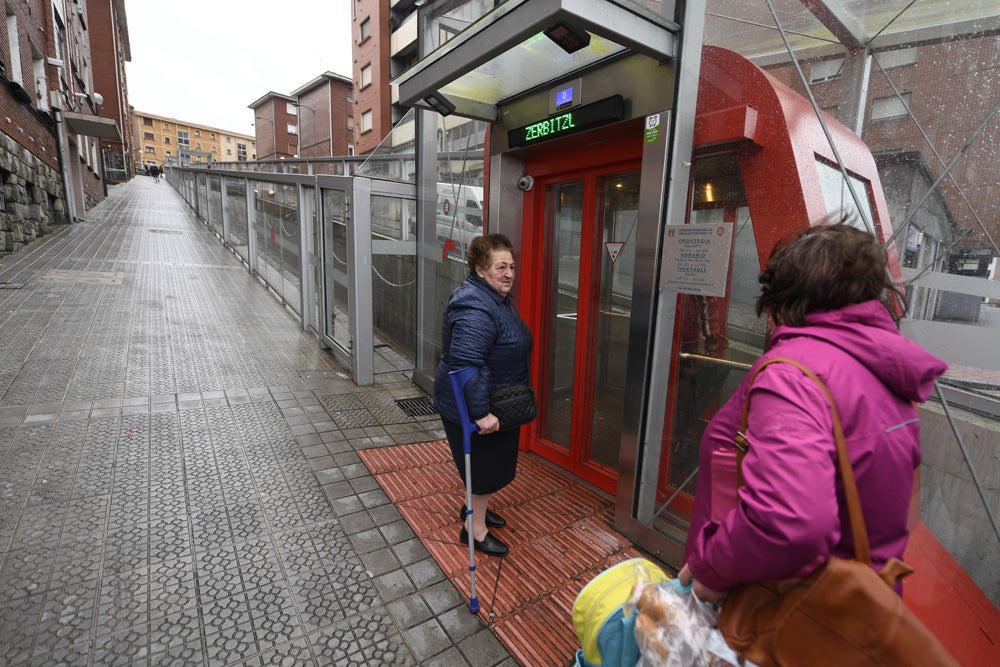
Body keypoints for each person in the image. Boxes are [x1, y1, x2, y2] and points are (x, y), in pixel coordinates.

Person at [678, 219, 947, 603]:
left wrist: (713, 568)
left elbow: (790, 520)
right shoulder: (885, 376)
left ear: (782, 295)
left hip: (777, 612)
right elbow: (903, 510)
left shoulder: (794, 375)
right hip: (854, 609)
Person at [433, 233, 533, 557]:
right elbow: (466, 362)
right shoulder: (475, 304)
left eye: (512, 266)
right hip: (477, 406)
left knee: (483, 467)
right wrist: (480, 413)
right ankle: (473, 532)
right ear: (479, 269)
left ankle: (474, 509)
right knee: (484, 468)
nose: (509, 274)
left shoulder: (494, 298)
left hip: (494, 399)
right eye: (500, 267)